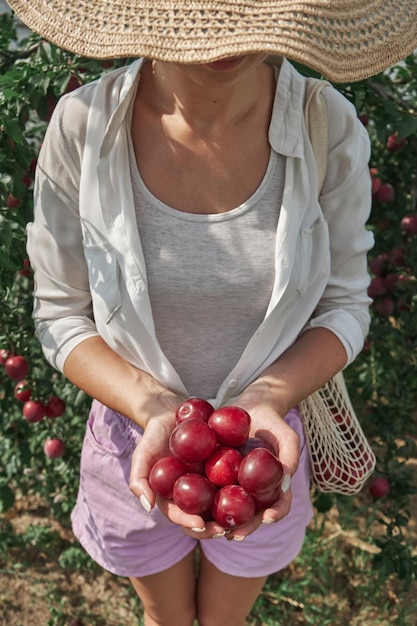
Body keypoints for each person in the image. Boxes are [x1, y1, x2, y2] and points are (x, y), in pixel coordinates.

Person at [8, 1, 417, 624]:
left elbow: (344, 304)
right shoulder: (84, 127)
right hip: (129, 443)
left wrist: (267, 398)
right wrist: (150, 408)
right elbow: (62, 314)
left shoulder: (324, 126)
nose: (228, 39)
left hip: (269, 446)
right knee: (166, 618)